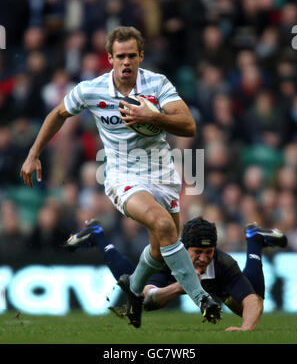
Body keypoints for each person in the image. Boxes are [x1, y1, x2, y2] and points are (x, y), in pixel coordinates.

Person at [20, 26, 214, 328]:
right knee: (163, 225)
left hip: (162, 173)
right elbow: (58, 114)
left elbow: (188, 126)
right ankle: (202, 298)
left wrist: (153, 117)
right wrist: (33, 154)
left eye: (131, 56)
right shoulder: (91, 90)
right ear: (109, 58)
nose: (126, 62)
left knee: (160, 250)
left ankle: (133, 290)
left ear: (141, 56)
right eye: (120, 56)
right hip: (122, 176)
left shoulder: (158, 84)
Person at [65, 216, 287, 331]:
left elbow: (252, 301)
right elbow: (148, 298)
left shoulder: (222, 262)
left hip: (216, 285)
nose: (203, 258)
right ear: (184, 248)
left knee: (253, 303)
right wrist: (181, 286)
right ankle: (97, 235)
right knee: (134, 289)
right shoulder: (165, 259)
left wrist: (245, 330)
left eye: (208, 252)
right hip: (169, 283)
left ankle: (254, 239)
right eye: (197, 252)